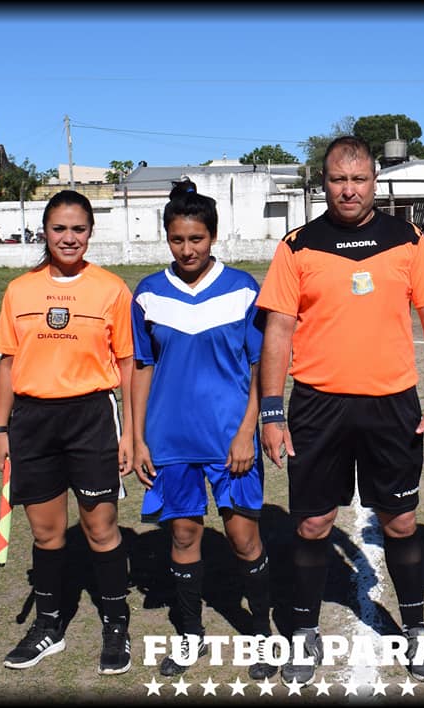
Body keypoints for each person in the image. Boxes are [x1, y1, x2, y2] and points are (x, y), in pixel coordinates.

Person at [255, 135, 424, 686]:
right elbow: (278, 330)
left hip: (392, 403)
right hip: (318, 406)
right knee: (314, 522)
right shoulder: (297, 246)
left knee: (401, 519)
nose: (349, 190)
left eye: (359, 179)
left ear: (374, 181)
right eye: (338, 180)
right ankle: (303, 631)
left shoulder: (408, 240)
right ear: (323, 183)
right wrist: (272, 412)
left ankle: (414, 630)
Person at [129, 180, 275, 680]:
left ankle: (261, 634)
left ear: (213, 236)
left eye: (196, 239)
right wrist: (139, 436)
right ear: (166, 238)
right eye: (177, 239)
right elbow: (143, 366)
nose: (187, 249)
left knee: (242, 538)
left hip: (229, 437)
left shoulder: (243, 290)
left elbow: (261, 367)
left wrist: (246, 431)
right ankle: (190, 636)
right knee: (185, 534)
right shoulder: (147, 293)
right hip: (170, 441)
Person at [0, 190, 134, 674]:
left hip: (91, 417)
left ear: (90, 233)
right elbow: (9, 362)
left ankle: (116, 622)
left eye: (78, 229)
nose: (69, 238)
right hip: (32, 422)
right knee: (47, 532)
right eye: (59, 229)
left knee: (99, 527)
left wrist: (131, 431)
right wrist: (0, 428)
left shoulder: (112, 289)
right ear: (44, 231)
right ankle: (49, 626)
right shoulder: (19, 290)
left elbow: (127, 363)